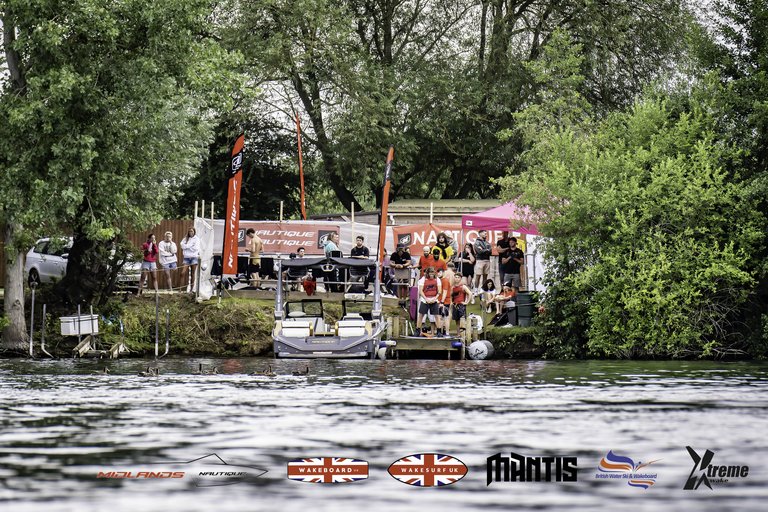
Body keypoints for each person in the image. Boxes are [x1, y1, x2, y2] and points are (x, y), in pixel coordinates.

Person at [416, 267, 441, 336]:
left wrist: (434, 298)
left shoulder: (437, 280)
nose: (431, 275)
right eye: (430, 273)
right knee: (421, 315)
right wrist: (426, 299)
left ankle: (439, 330)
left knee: (437, 316)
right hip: (425, 299)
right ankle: (417, 330)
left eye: (432, 273)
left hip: (434, 299)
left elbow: (439, 291)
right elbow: (421, 290)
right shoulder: (423, 279)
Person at [180, 227, 200, 293]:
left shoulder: (197, 239)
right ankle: (181, 289)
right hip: (186, 258)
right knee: (182, 273)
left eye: (192, 231)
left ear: (194, 231)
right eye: (189, 231)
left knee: (192, 274)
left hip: (194, 257)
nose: (190, 232)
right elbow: (182, 245)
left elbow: (195, 248)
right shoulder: (185, 238)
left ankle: (191, 290)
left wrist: (187, 246)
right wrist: (190, 245)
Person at [437, 268, 452, 337]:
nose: (438, 274)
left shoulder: (445, 280)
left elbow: (445, 291)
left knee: (445, 317)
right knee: (440, 317)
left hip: (445, 301)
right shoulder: (439, 280)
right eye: (438, 273)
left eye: (440, 272)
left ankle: (447, 332)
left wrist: (442, 302)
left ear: (443, 273)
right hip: (440, 301)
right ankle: (442, 332)